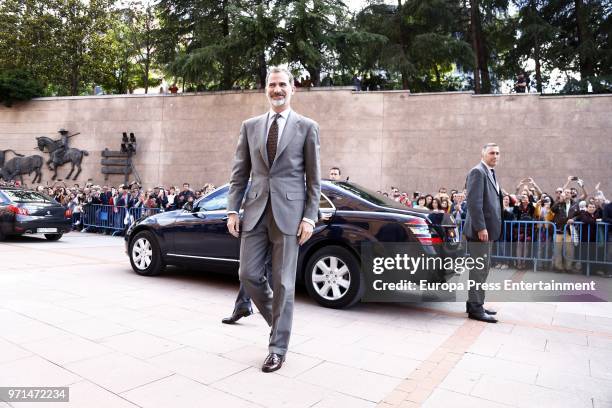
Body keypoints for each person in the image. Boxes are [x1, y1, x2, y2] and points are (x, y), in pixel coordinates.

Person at [226, 66, 321, 373]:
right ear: (265, 89)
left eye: (282, 85)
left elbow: (314, 179)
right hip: (254, 211)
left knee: (283, 283)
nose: (277, 90)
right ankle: (278, 322)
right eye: (272, 85)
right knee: (248, 274)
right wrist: (231, 209)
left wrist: (309, 216)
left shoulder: (307, 127)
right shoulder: (250, 126)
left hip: (290, 216)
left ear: (292, 89)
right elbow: (239, 173)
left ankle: (278, 346)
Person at [464, 143, 502, 323]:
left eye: (498, 153)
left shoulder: (490, 172)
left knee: (482, 269)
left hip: (487, 231)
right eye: (492, 153)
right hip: (480, 231)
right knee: (479, 270)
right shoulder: (477, 172)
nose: (495, 156)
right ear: (483, 154)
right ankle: (475, 309)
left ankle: (475, 303)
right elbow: (474, 203)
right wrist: (481, 228)